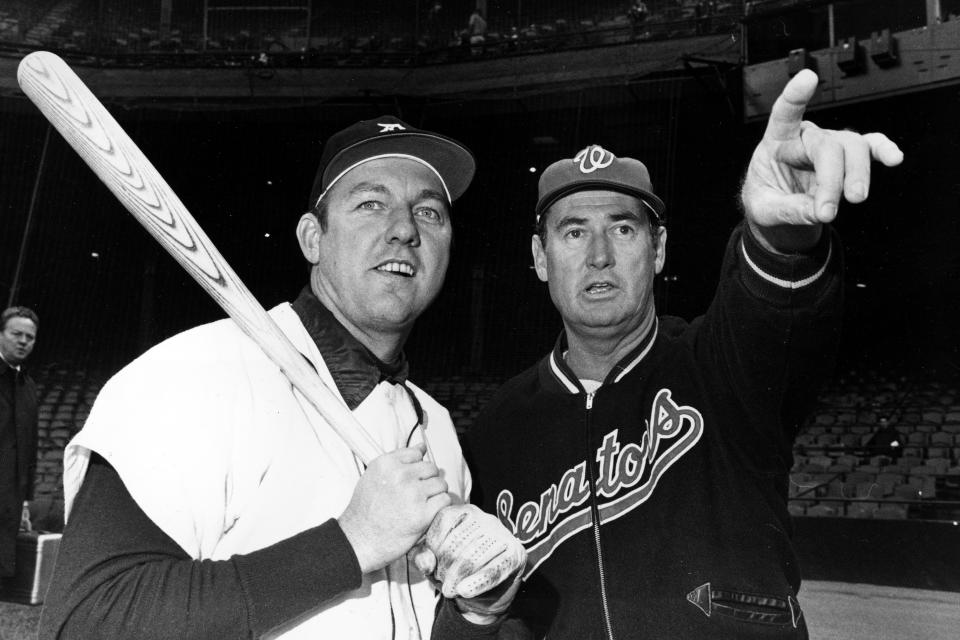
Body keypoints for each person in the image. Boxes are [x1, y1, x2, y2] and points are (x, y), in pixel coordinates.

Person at [38, 117, 524, 639]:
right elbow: (85, 621)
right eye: (370, 204)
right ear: (312, 239)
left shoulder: (439, 429)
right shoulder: (196, 372)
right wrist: (350, 544)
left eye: (429, 211)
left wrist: (474, 612)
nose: (406, 228)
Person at [466, 70, 903, 639]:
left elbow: (775, 311)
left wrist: (778, 240)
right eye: (573, 233)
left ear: (657, 249)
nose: (598, 255)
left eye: (622, 229)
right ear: (540, 257)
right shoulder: (496, 431)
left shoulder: (720, 366)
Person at [0, 306, 39, 577]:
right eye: (16, 334)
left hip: (9, 503)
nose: (23, 341)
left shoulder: (29, 388)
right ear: (1, 334)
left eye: (30, 337)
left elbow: (29, 451)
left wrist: (25, 502)